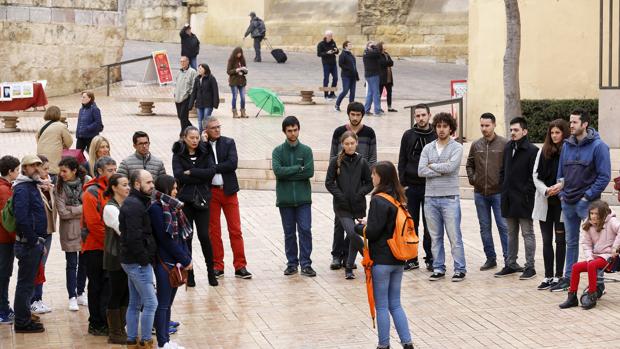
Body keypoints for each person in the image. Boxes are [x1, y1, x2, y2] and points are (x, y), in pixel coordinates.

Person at [549, 108, 611, 292]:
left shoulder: (599, 147)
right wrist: (561, 194)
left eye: (575, 122)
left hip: (588, 205)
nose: (571, 125)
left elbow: (604, 176)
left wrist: (587, 197)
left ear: (585, 124)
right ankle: (569, 278)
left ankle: (598, 284)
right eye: (571, 122)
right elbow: (561, 174)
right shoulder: (567, 145)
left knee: (597, 244)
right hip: (567, 202)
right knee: (571, 242)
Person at [356, 161, 413, 349]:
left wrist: (359, 227)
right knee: (395, 304)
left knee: (381, 306)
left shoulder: (378, 199)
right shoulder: (398, 198)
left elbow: (372, 232)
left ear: (381, 177)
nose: (372, 177)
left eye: (374, 174)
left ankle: (383, 345)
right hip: (398, 258)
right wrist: (370, 222)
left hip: (381, 260)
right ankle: (407, 343)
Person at [418, 112, 467, 281]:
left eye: (445, 126)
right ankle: (438, 268)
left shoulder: (457, 147)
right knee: (435, 237)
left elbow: (452, 168)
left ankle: (460, 268)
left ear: (451, 128)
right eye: (438, 126)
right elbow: (421, 170)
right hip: (430, 198)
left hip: (450, 198)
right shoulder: (428, 147)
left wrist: (432, 167)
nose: (441, 129)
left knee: (454, 236)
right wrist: (440, 168)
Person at [329, 101, 377, 270]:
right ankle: (337, 255)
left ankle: (348, 259)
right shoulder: (339, 132)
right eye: (352, 114)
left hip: (358, 184)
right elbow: (333, 156)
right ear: (348, 114)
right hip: (342, 187)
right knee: (339, 224)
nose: (355, 117)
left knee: (353, 228)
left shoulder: (369, 133)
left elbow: (372, 158)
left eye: (358, 115)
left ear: (362, 116)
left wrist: (363, 176)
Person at [204, 118, 252, 279]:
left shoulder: (229, 142)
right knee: (214, 231)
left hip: (229, 191)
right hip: (212, 193)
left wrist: (213, 168)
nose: (217, 130)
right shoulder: (203, 147)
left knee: (235, 230)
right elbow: (203, 165)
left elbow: (232, 164)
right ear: (206, 131)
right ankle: (218, 265)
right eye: (213, 128)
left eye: (218, 127)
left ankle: (240, 266)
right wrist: (204, 145)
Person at [172, 126, 218, 287]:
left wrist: (191, 172)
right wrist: (199, 174)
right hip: (185, 201)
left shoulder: (205, 151)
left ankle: (211, 272)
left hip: (202, 199)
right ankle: (190, 274)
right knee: (188, 238)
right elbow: (178, 175)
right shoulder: (178, 153)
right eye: (191, 137)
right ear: (184, 138)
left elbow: (211, 172)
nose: (195, 140)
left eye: (197, 137)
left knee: (205, 236)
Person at [149, 175, 192, 349]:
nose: (176, 191)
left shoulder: (174, 207)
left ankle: (166, 339)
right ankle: (162, 342)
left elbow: (182, 236)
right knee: (163, 304)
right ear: (165, 189)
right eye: (173, 188)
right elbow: (166, 239)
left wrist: (186, 258)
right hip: (165, 262)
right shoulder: (157, 209)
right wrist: (185, 258)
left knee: (168, 304)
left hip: (177, 262)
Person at [494, 117, 539, 280]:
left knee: (527, 233)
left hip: (524, 200)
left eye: (516, 130)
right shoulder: (507, 147)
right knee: (511, 233)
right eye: (511, 130)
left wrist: (526, 194)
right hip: (508, 198)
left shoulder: (532, 150)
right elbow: (502, 170)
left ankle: (530, 267)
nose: (512, 133)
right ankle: (511, 264)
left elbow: (534, 177)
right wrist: (502, 187)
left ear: (524, 131)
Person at [272, 116, 316, 277]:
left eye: (295, 130)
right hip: (285, 200)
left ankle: (306, 263)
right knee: (289, 232)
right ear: (284, 132)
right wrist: (298, 168)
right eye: (289, 131)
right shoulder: (278, 151)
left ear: (299, 129)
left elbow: (309, 172)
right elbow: (278, 171)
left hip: (303, 199)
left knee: (305, 230)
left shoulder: (306, 150)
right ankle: (292, 263)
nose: (292, 133)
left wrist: (287, 172)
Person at [325, 131, 372, 279]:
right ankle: (369, 256)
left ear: (356, 143)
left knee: (353, 237)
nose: (350, 146)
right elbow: (329, 182)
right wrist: (340, 196)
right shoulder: (335, 161)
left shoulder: (362, 161)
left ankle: (349, 267)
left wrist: (360, 193)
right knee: (351, 232)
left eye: (352, 143)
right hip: (342, 206)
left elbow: (369, 183)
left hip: (358, 206)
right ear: (342, 145)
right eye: (347, 144)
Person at [465, 113, 508, 271]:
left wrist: (503, 184)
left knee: (503, 226)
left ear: (494, 125)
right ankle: (490, 258)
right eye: (482, 125)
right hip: (480, 193)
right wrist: (473, 179)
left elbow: (509, 167)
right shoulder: (476, 145)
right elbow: (469, 164)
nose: (484, 128)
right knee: (484, 228)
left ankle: (509, 260)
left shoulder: (504, 144)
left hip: (498, 193)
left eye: (487, 125)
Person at [120, 170, 158, 349]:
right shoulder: (134, 205)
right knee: (151, 302)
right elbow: (134, 237)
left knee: (135, 303)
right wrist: (145, 259)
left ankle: (132, 340)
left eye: (152, 182)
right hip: (136, 262)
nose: (152, 185)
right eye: (148, 182)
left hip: (131, 260)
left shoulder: (136, 202)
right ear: (137, 184)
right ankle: (145, 341)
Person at [559, 200, 620, 310]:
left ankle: (592, 295)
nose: (593, 216)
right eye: (591, 213)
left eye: (596, 214)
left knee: (592, 265)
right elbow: (586, 244)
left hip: (610, 258)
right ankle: (572, 297)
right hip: (596, 257)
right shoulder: (588, 224)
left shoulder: (612, 221)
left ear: (603, 213)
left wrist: (615, 247)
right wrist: (589, 257)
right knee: (575, 267)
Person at [397, 103, 436, 271]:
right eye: (417, 116)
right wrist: (402, 185)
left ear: (429, 115)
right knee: (411, 225)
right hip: (411, 187)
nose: (420, 118)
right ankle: (412, 258)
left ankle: (431, 258)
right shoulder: (408, 135)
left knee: (430, 226)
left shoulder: (436, 134)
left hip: (430, 187)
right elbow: (402, 160)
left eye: (423, 115)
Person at [532, 119, 569, 290]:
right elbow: (535, 176)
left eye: (558, 132)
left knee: (560, 241)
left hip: (561, 203)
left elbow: (570, 174)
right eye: (552, 132)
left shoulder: (568, 151)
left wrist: (559, 186)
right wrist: (546, 190)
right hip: (545, 201)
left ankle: (559, 276)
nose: (554, 136)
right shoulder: (543, 151)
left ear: (564, 133)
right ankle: (548, 276)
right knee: (547, 241)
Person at [12, 155, 47, 333]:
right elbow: (22, 217)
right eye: (32, 166)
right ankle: (22, 322)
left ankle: (24, 318)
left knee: (27, 284)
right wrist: (34, 240)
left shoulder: (32, 185)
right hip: (28, 245)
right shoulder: (23, 189)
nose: (36, 169)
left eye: (38, 165)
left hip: (33, 243)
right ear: (24, 168)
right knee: (25, 284)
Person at [82, 156, 116, 336]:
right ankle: (96, 322)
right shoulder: (91, 192)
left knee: (108, 285)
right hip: (94, 247)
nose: (113, 173)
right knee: (96, 285)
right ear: (100, 171)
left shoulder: (112, 190)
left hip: (108, 247)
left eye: (114, 169)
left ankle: (106, 320)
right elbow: (94, 224)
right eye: (110, 170)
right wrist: (111, 242)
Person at [55, 157, 88, 312]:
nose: (61, 174)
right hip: (68, 230)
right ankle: (72, 296)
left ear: (74, 171)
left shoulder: (86, 182)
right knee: (71, 264)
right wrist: (81, 209)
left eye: (64, 171)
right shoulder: (59, 186)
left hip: (85, 229)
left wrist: (73, 208)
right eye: (60, 171)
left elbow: (91, 205)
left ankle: (81, 292)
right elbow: (62, 212)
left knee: (84, 264)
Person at [102, 174, 130, 344]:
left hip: (125, 256)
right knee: (116, 293)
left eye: (128, 185)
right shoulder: (110, 208)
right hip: (115, 257)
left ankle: (122, 328)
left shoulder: (126, 205)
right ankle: (114, 332)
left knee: (126, 294)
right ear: (114, 188)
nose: (128, 188)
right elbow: (123, 231)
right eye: (124, 185)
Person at [30, 155, 55, 314]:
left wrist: (50, 190)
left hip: (48, 230)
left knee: (42, 267)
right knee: (34, 267)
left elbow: (54, 207)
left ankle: (38, 298)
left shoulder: (48, 184)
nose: (47, 172)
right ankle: (32, 300)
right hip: (37, 233)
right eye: (44, 169)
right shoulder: (30, 186)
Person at [0, 155, 20, 325]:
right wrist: (18, 238)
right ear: (10, 171)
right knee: (4, 274)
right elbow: (8, 219)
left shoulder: (5, 187)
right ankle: (3, 310)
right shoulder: (4, 190)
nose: (18, 173)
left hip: (4, 239)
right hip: (4, 240)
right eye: (17, 170)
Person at [35, 106, 73, 179]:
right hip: (55, 155)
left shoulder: (42, 125)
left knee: (44, 171)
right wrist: (63, 146)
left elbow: (37, 138)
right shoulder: (61, 126)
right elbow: (69, 142)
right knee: (54, 174)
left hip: (41, 154)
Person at [188, 63, 219, 135]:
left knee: (206, 120)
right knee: (199, 120)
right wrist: (191, 104)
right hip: (199, 103)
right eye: (198, 68)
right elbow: (194, 92)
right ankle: (201, 135)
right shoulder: (197, 79)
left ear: (205, 69)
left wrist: (215, 103)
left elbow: (215, 91)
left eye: (201, 68)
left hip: (208, 104)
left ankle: (206, 134)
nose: (199, 70)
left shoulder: (211, 78)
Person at [173, 56, 197, 132]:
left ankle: (183, 133)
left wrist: (190, 96)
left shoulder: (192, 72)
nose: (182, 63)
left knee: (183, 117)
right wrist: (175, 94)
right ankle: (193, 129)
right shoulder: (179, 72)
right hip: (178, 98)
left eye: (184, 61)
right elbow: (176, 84)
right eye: (181, 61)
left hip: (186, 98)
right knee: (180, 116)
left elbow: (194, 85)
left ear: (188, 62)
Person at [334, 41, 359, 112]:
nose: (351, 45)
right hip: (346, 76)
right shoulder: (343, 54)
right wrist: (348, 69)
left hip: (353, 76)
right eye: (349, 44)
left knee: (353, 92)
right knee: (345, 90)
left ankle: (351, 107)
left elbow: (354, 66)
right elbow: (340, 64)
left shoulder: (351, 55)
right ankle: (337, 105)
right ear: (345, 46)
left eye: (351, 44)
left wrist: (356, 75)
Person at [227, 47, 249, 118]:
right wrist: (236, 70)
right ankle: (234, 112)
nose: (239, 55)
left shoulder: (242, 60)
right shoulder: (231, 60)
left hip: (242, 81)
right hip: (234, 81)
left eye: (240, 53)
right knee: (235, 96)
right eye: (238, 53)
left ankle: (243, 112)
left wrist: (244, 71)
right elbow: (228, 71)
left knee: (243, 97)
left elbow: (245, 69)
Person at [317, 30, 339, 100]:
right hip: (326, 63)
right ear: (326, 36)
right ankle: (326, 95)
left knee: (335, 78)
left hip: (333, 63)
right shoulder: (321, 44)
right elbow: (319, 54)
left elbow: (337, 52)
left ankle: (332, 93)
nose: (330, 37)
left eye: (331, 36)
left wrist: (336, 50)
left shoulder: (333, 42)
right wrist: (327, 53)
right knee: (326, 79)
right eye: (329, 36)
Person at [363, 41, 382, 116]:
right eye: (371, 46)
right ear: (367, 47)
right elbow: (378, 53)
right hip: (373, 75)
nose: (373, 47)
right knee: (376, 93)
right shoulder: (369, 53)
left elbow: (378, 55)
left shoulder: (367, 53)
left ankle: (366, 110)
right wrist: (374, 47)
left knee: (370, 93)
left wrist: (373, 47)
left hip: (369, 75)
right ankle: (377, 111)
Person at [378, 42, 396, 112]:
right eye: (384, 45)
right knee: (379, 93)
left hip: (389, 77)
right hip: (382, 77)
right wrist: (388, 62)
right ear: (381, 46)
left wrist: (387, 62)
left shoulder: (386, 54)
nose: (385, 46)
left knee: (389, 92)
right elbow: (382, 63)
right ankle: (378, 107)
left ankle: (389, 107)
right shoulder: (379, 55)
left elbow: (392, 63)